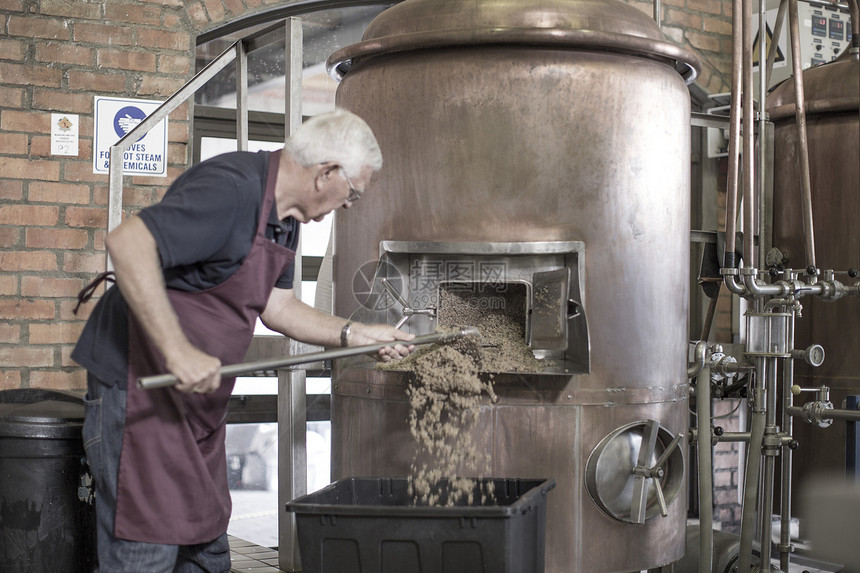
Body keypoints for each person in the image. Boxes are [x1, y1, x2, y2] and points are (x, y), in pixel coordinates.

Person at [72, 108, 414, 572]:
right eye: (351, 193)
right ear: (326, 173)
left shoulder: (286, 218)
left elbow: (279, 308)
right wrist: (177, 351)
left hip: (196, 409)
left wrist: (357, 333)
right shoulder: (232, 189)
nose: (349, 205)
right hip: (141, 398)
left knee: (206, 552)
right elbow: (129, 243)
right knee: (144, 552)